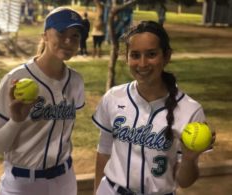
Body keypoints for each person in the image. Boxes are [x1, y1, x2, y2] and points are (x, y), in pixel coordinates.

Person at [92, 21, 216, 195]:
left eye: (151, 54)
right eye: (135, 55)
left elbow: (185, 182)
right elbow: (104, 151)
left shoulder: (190, 110)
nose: (142, 64)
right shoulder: (113, 97)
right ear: (126, 57)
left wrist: (189, 159)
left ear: (166, 56)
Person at [0, 7, 86, 195]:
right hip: (23, 184)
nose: (68, 41)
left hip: (65, 181)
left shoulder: (76, 81)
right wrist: (16, 121)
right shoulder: (16, 78)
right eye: (61, 32)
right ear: (45, 36)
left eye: (75, 36)